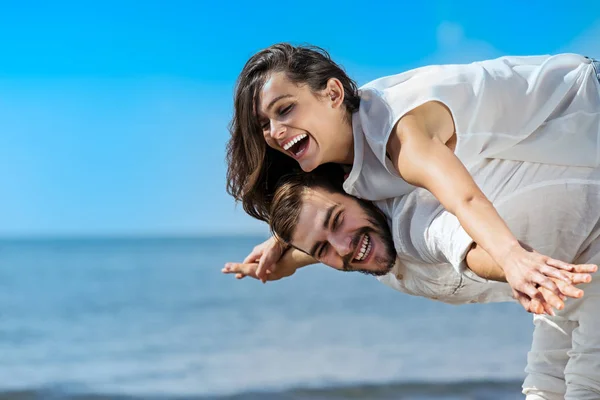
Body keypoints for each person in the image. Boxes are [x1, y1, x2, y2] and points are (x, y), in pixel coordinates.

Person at [226, 43, 600, 301]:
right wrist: (282, 246)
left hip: (585, 101)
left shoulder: (399, 133)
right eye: (263, 124)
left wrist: (512, 257)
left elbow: (463, 199)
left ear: (333, 93)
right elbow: (345, 229)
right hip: (568, 146)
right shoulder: (344, 159)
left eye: (285, 109)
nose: (275, 132)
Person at [224, 158, 600, 399]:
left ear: (358, 194)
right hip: (565, 281)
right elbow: (327, 244)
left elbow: (466, 248)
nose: (342, 247)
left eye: (337, 220)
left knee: (584, 388)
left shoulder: (412, 223)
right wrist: (283, 257)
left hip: (583, 254)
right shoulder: (359, 245)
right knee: (542, 389)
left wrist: (517, 269)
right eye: (322, 249)